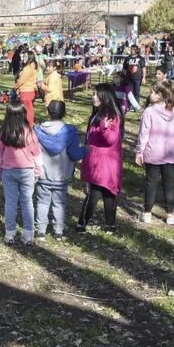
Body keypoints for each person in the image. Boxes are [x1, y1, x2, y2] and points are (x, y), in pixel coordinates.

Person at [34, 100, 88, 240]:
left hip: (43, 175)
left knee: (42, 202)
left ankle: (41, 231)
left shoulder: (38, 130)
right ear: (64, 113)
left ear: (47, 112)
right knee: (59, 203)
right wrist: (87, 149)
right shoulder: (69, 132)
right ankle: (58, 231)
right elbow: (75, 154)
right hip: (61, 176)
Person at [135, 81, 174, 225]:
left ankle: (147, 213)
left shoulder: (149, 112)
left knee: (151, 183)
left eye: (152, 92)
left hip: (153, 154)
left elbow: (143, 134)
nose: (149, 94)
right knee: (169, 184)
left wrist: (140, 152)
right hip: (170, 154)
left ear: (161, 94)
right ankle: (170, 214)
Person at [0, 101, 43, 245]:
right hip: (27, 172)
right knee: (27, 202)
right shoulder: (30, 132)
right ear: (23, 114)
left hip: (8, 172)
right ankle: (28, 234)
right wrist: (38, 171)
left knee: (10, 202)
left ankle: (10, 234)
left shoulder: (2, 133)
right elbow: (37, 154)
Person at [77, 83, 123, 234]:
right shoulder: (96, 114)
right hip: (96, 162)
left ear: (105, 97)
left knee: (108, 193)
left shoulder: (111, 117)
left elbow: (111, 139)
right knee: (94, 193)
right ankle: (82, 224)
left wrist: (104, 127)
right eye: (93, 94)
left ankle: (110, 225)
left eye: (97, 95)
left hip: (107, 163)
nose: (93, 97)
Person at [14, 51, 38, 125]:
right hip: (31, 90)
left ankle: (28, 126)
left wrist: (15, 87)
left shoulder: (28, 68)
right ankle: (28, 125)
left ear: (30, 57)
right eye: (24, 56)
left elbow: (21, 80)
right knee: (29, 109)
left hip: (26, 91)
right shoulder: (33, 65)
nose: (24, 58)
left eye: (26, 56)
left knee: (27, 111)